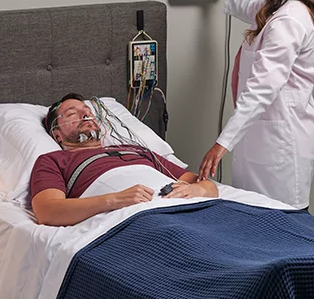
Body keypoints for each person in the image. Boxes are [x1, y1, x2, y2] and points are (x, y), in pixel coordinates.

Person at [198, 0, 314, 210]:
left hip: (281, 145)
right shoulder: (281, 7)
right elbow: (255, 8)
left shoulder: (288, 21)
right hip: (264, 140)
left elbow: (261, 89)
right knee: (254, 216)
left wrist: (221, 144)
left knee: (281, 219)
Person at [30, 93, 218, 226]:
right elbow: (47, 211)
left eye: (88, 111)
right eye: (72, 114)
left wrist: (195, 190)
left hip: (184, 210)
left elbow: (208, 186)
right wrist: (114, 200)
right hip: (138, 220)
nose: (85, 115)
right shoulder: (53, 160)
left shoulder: (136, 150)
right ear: (57, 135)